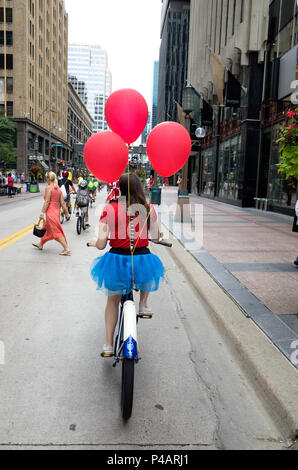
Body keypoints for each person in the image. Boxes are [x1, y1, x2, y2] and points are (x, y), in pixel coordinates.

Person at [88, 173, 164, 356]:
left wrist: (93, 241)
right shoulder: (148, 208)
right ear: (139, 187)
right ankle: (143, 304)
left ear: (120, 188)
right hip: (140, 259)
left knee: (112, 301)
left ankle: (107, 344)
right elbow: (155, 237)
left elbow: (101, 244)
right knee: (148, 264)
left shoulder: (109, 208)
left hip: (117, 260)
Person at [32, 171, 71, 255]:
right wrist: (67, 213)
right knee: (47, 230)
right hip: (56, 212)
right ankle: (40, 244)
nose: (46, 179)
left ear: (49, 178)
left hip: (50, 212)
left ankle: (66, 248)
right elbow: (63, 203)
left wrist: (42, 213)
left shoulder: (49, 188)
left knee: (56, 231)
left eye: (47, 178)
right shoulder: (58, 189)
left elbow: (47, 201)